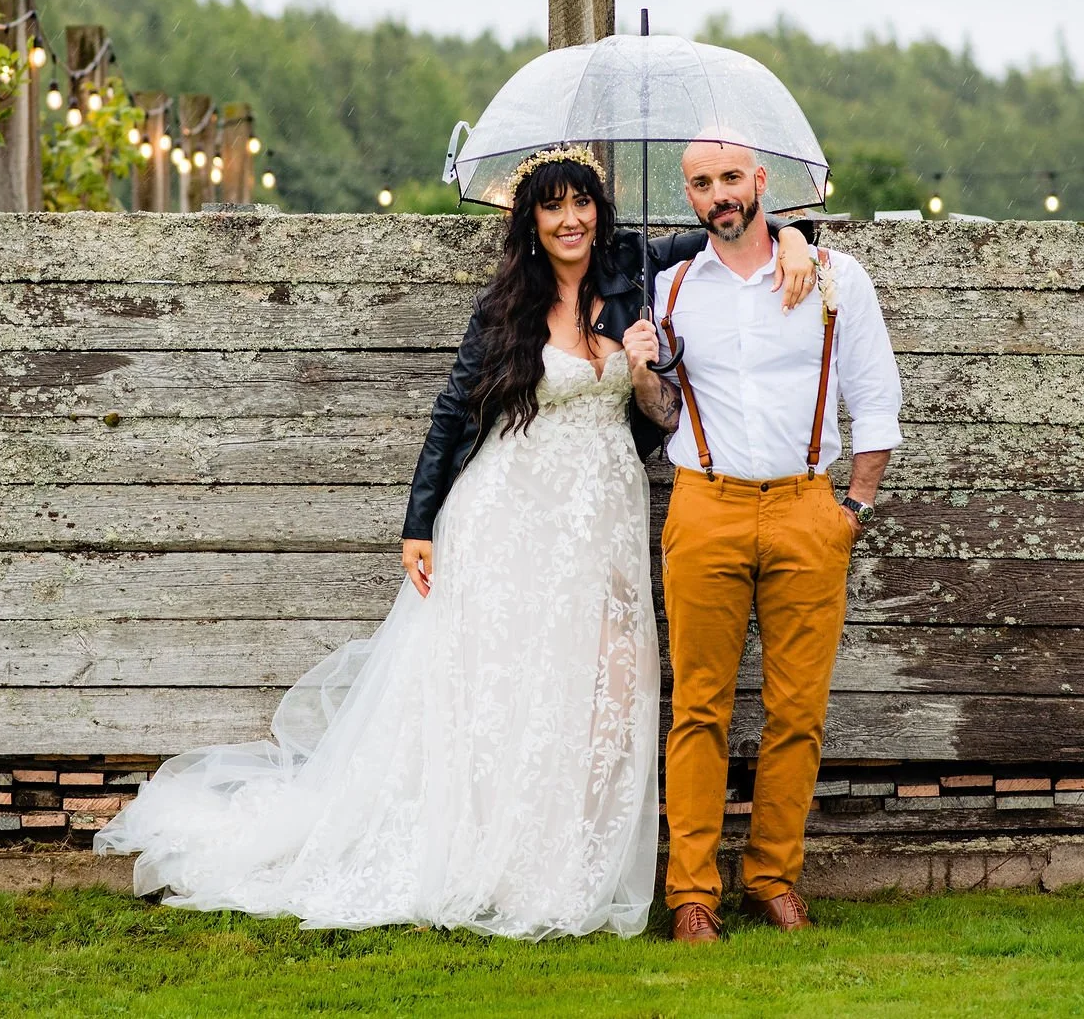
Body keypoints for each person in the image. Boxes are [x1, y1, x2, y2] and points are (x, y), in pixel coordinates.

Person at [95, 143, 814, 939]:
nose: (570, 219)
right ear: (532, 221)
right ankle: (494, 856)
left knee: (611, 682)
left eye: (582, 203)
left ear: (598, 212)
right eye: (553, 206)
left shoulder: (636, 269)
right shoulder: (508, 303)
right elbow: (450, 412)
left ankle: (569, 858)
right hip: (508, 510)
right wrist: (418, 522)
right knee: (507, 685)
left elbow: (728, 233)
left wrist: (787, 237)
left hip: (602, 510)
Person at [633, 139, 903, 944]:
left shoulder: (830, 276)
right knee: (699, 709)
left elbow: (876, 397)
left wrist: (852, 508)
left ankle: (773, 878)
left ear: (760, 182)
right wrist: (646, 370)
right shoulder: (671, 287)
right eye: (701, 183)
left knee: (797, 710)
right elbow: (665, 414)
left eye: (729, 178)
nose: (718, 194)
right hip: (705, 503)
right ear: (689, 195)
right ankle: (691, 893)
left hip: (805, 508)